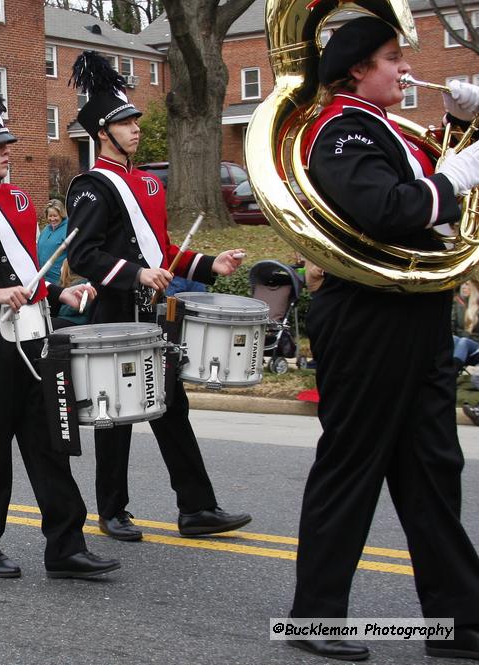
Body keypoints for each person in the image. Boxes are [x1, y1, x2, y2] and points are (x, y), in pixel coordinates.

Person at [287, 16, 479, 661]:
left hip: (416, 311)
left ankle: (456, 622)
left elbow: (429, 185)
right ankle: (315, 618)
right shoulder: (338, 129)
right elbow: (391, 209)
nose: (404, 69)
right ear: (356, 70)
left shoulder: (385, 128)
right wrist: (463, 170)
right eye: (393, 59)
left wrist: (461, 129)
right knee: (353, 464)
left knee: (433, 471)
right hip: (368, 316)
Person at [0, 54, 119, 580]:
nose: (9, 151)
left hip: (34, 335)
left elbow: (25, 273)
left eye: (8, 144)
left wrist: (59, 293)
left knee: (50, 438)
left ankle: (65, 546)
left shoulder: (15, 198)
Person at [66, 50, 252, 543]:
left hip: (156, 313)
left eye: (134, 120)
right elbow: (84, 255)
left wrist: (212, 265)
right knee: (117, 413)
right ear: (102, 134)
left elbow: (164, 253)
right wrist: (135, 275)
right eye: (124, 123)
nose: (134, 128)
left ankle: (197, 509)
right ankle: (112, 510)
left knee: (172, 407)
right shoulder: (90, 186)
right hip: (115, 309)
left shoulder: (148, 182)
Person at [36, 199, 68, 286]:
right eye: (50, 216)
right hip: (42, 278)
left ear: (61, 214)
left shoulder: (68, 229)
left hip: (59, 281)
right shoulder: (46, 229)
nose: (52, 219)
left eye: (55, 216)